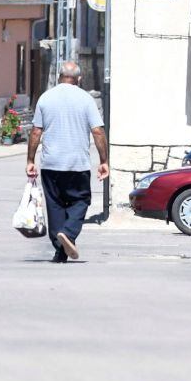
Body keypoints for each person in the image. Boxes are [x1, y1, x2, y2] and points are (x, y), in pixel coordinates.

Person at [25, 62, 109, 263]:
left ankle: (60, 251)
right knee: (81, 200)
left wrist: (30, 160)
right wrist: (104, 160)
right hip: (77, 164)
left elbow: (36, 131)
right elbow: (97, 131)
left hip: (51, 164)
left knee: (55, 205)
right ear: (79, 79)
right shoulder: (86, 99)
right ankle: (69, 234)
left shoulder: (45, 98)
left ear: (59, 77)